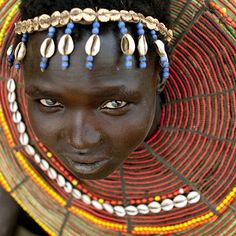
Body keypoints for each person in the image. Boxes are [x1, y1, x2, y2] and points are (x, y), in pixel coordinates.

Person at [0, 0, 235, 235]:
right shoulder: (11, 139)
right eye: (49, 102)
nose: (81, 140)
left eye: (114, 104)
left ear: (159, 79)